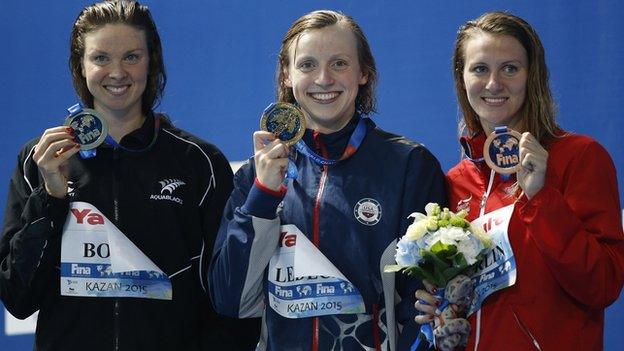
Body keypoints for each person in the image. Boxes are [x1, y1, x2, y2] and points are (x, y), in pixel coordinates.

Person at [0, 1, 259, 350]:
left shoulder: (199, 163)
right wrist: (51, 197)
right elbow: (18, 298)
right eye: (101, 58)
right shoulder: (41, 160)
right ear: (81, 65)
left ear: (151, 62)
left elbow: (229, 298)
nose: (117, 72)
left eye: (132, 57)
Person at [207, 10, 446, 351]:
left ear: (364, 72)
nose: (323, 78)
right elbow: (230, 299)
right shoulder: (256, 175)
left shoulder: (408, 165)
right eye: (307, 65)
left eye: (339, 64)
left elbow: (422, 308)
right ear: (287, 75)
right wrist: (262, 196)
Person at [414, 11, 624, 350]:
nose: (494, 84)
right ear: (462, 77)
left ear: (532, 76)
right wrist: (437, 303)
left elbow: (602, 284)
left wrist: (541, 198)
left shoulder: (580, 157)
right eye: (480, 68)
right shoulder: (455, 181)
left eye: (510, 68)